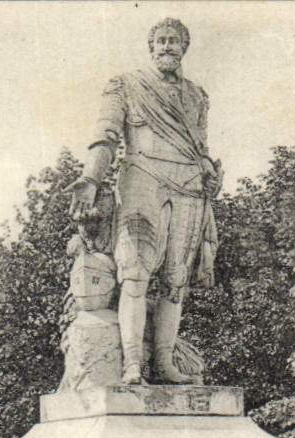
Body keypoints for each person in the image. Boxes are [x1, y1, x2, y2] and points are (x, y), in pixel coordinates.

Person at [70, 17, 222, 385]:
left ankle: (165, 364)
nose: (168, 46)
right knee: (135, 276)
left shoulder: (197, 96)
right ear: (151, 46)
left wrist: (209, 171)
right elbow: (105, 136)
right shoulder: (125, 85)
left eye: (175, 41)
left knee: (176, 281)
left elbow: (199, 147)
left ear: (184, 48)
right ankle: (133, 365)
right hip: (143, 179)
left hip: (189, 187)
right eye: (162, 40)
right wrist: (90, 179)